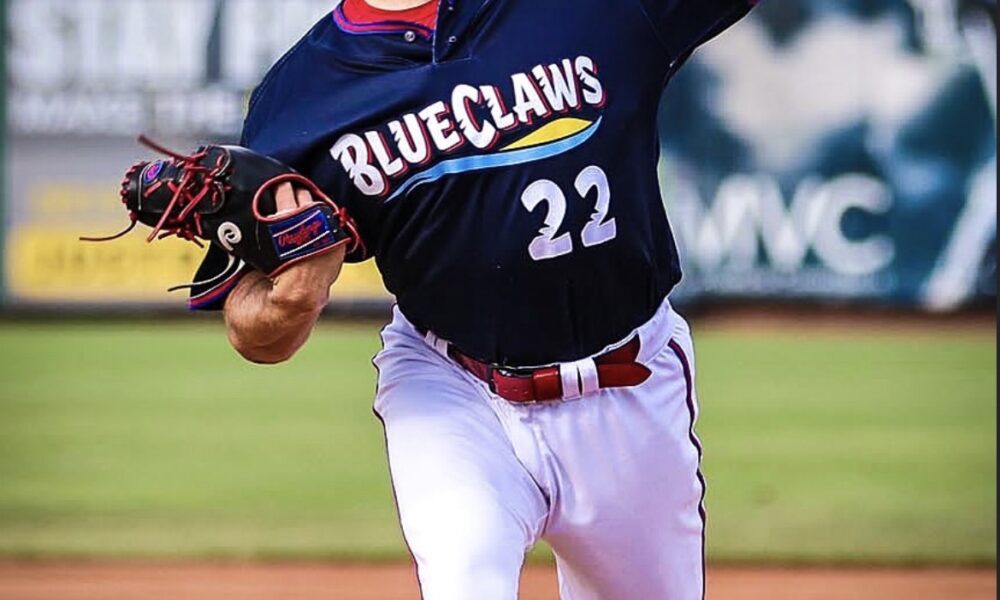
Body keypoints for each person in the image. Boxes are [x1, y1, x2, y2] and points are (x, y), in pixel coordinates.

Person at [192, 0, 757, 597]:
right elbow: (252, 330)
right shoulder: (298, 98)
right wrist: (290, 302)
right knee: (466, 580)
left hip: (628, 381)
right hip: (452, 387)